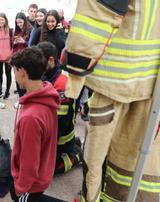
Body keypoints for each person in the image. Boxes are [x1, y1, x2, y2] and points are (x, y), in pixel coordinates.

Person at [63, 1, 160, 201]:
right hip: (149, 90)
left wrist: (74, 77)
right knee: (141, 159)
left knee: (100, 158)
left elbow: (96, 13)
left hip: (116, 85)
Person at [10, 47, 60, 202]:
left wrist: (20, 189)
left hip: (31, 185)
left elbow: (29, 163)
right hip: (44, 172)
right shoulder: (47, 95)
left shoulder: (30, 117)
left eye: (15, 71)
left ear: (22, 72)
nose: (15, 76)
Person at [37, 41, 83, 174]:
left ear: (51, 60)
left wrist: (46, 147)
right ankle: (75, 144)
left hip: (61, 138)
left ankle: (77, 154)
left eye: (40, 62)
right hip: (52, 132)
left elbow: (58, 123)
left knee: (46, 170)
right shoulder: (49, 72)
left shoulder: (62, 83)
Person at [12, 12, 32, 108]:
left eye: (20, 22)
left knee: (25, 79)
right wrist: (14, 42)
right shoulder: (16, 31)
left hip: (26, 58)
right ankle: (20, 98)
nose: (19, 24)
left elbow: (31, 44)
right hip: (16, 58)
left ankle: (25, 98)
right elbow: (13, 46)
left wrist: (24, 41)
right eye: (17, 23)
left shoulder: (30, 30)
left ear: (24, 21)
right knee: (17, 79)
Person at [0, 13, 13, 99]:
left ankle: (7, 91)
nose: (1, 21)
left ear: (5, 20)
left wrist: (11, 54)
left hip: (8, 58)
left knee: (8, 74)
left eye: (2, 19)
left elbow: (13, 44)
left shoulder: (10, 30)